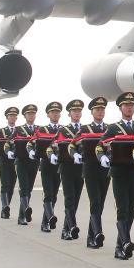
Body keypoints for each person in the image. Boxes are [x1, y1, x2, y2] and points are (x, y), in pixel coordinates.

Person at [96, 92, 134, 260]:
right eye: (126, 105)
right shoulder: (113, 128)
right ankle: (124, 242)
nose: (129, 107)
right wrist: (102, 156)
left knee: (131, 211)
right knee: (122, 209)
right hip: (118, 173)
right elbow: (99, 146)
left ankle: (121, 246)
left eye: (132, 105)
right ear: (120, 108)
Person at [51, 99, 86, 240]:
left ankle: (66, 228)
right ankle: (71, 227)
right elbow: (52, 146)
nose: (77, 113)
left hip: (81, 168)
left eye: (79, 111)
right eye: (74, 111)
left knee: (76, 199)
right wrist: (52, 155)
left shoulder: (85, 129)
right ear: (69, 114)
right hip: (66, 168)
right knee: (69, 198)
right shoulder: (63, 130)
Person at [81, 97, 111, 249]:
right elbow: (74, 145)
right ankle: (97, 233)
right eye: (97, 109)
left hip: (105, 170)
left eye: (102, 109)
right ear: (92, 112)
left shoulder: (109, 128)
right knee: (95, 202)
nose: (100, 112)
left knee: (101, 203)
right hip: (90, 169)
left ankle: (92, 236)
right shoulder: (85, 129)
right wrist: (77, 154)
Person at [10, 104, 40, 225]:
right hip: (21, 161)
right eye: (29, 114)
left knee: (29, 189)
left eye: (33, 114)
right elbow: (10, 142)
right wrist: (10, 152)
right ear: (25, 116)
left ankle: (23, 212)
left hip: (34, 162)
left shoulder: (40, 129)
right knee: (24, 187)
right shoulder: (18, 130)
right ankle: (23, 214)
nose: (31, 116)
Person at [36, 102, 64, 233]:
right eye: (53, 112)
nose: (56, 114)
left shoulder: (64, 130)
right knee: (48, 193)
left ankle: (45, 221)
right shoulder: (42, 130)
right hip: (46, 165)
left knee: (54, 195)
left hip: (59, 166)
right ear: (48, 115)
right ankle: (50, 217)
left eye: (57, 112)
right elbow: (33, 144)